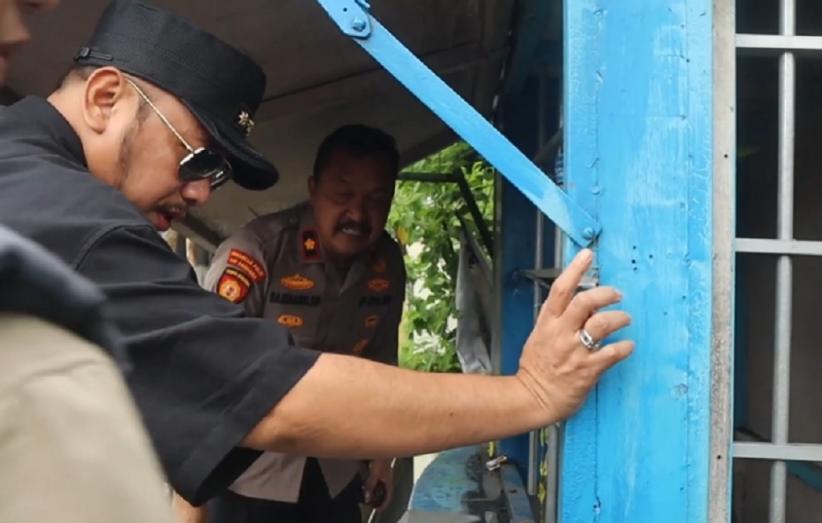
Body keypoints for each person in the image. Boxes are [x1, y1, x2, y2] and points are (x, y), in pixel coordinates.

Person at [0, 0, 634, 508]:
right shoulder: (72, 220)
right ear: (104, 98)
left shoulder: (24, 181)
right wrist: (530, 394)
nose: (197, 193)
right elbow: (268, 398)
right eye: (195, 159)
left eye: (214, 175)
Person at [194, 125, 406, 523]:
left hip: (337, 472)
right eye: (342, 195)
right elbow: (203, 378)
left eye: (376, 200)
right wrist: (192, 501)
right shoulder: (257, 254)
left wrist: (382, 457)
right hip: (247, 477)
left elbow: (382, 361)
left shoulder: (387, 264)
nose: (358, 215)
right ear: (313, 188)